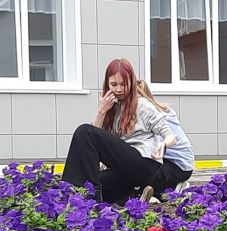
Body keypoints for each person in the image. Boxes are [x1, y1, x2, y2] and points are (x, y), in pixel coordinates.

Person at [62, 59, 176, 203]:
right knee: (95, 181)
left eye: (124, 84)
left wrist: (163, 145)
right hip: (125, 169)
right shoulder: (112, 108)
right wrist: (102, 110)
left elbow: (170, 135)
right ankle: (135, 196)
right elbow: (91, 144)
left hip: (145, 163)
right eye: (114, 84)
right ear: (107, 85)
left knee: (84, 131)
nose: (119, 89)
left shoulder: (143, 105)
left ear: (131, 83)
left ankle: (82, 200)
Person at [136, 80, 195, 197]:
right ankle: (160, 193)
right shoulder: (158, 109)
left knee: (145, 175)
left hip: (179, 165)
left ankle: (174, 188)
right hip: (176, 160)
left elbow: (152, 149)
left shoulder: (153, 115)